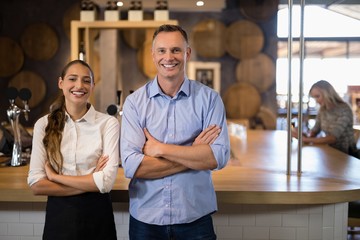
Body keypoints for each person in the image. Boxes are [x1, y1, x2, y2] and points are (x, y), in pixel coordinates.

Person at [121, 24, 230, 240]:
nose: (169, 57)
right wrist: (193, 152)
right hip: (146, 220)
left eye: (176, 50)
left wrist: (159, 149)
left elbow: (218, 156)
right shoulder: (134, 103)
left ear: (187, 53)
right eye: (162, 50)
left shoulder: (209, 100)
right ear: (153, 55)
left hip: (195, 217)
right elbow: (133, 166)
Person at [27, 60, 119, 240]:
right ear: (61, 83)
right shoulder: (43, 125)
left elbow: (106, 182)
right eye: (72, 79)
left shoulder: (108, 123)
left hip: (98, 219)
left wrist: (55, 178)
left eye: (86, 80)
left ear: (92, 86)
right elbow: (37, 185)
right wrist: (91, 181)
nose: (79, 85)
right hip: (59, 220)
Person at [292, 80, 359, 158]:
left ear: (327, 94)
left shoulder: (344, 109)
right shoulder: (323, 109)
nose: (316, 101)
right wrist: (303, 134)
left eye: (317, 96)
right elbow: (314, 131)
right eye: (314, 97)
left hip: (347, 155)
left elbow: (332, 138)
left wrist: (305, 139)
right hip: (330, 151)